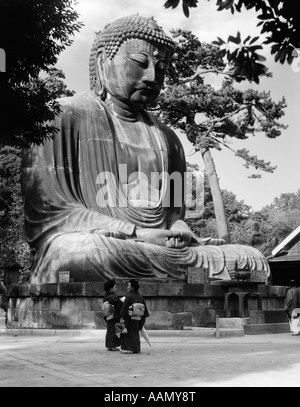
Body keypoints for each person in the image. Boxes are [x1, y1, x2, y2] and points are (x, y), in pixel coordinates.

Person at [21, 14, 270, 284]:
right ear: (104, 61)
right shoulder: (60, 115)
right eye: (140, 63)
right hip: (103, 245)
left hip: (157, 250)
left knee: (252, 259)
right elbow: (51, 215)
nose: (152, 76)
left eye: (161, 68)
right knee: (80, 253)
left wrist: (179, 229)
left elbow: (173, 215)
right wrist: (135, 233)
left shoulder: (168, 138)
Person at [119, 279, 149, 354]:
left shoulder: (128, 296)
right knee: (135, 333)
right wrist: (141, 320)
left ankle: (128, 348)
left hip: (129, 318)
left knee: (127, 333)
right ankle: (136, 348)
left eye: (129, 285)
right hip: (138, 318)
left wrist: (121, 317)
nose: (127, 287)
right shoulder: (140, 297)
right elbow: (144, 310)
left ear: (132, 287)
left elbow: (124, 309)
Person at [102, 279, 124, 351]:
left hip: (108, 315)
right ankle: (113, 346)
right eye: (115, 287)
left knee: (109, 330)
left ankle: (109, 346)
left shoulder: (106, 296)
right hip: (114, 315)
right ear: (111, 288)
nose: (116, 288)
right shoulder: (113, 296)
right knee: (114, 330)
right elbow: (120, 305)